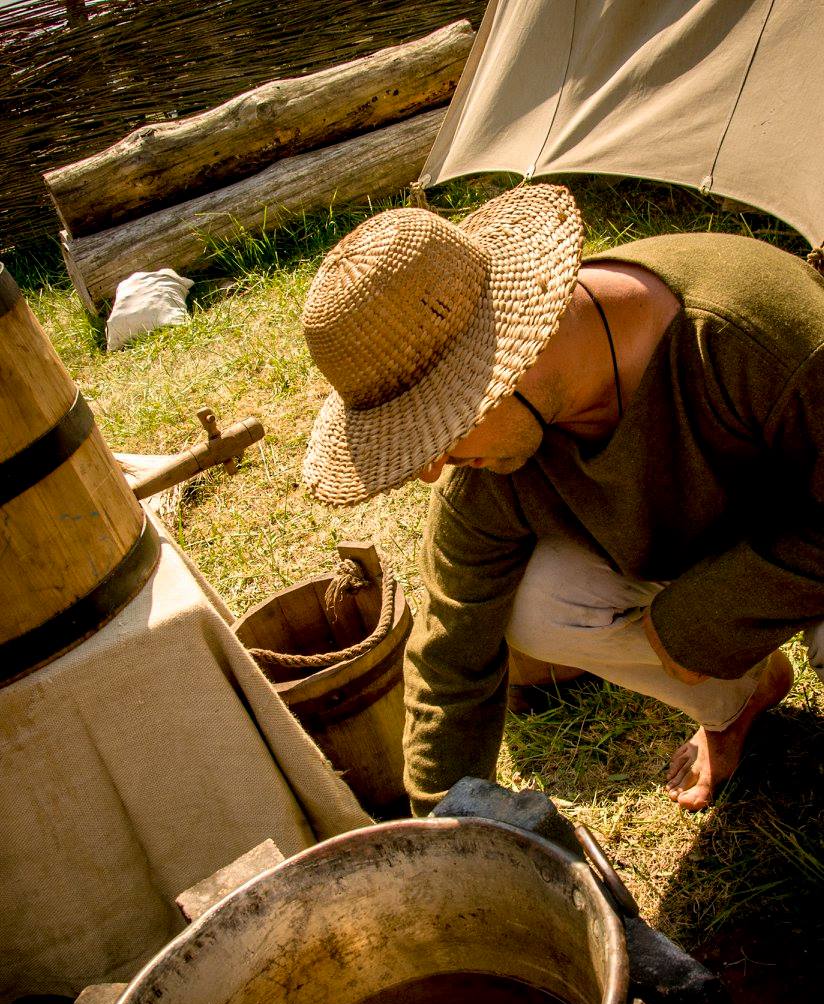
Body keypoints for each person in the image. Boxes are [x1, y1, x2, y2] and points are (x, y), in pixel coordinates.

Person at [300, 184, 824, 815]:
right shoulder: (489, 464)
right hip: (704, 549)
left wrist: (705, 619)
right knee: (536, 605)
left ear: (502, 364)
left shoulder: (756, 338)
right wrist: (449, 824)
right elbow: (452, 649)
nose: (432, 469)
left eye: (437, 429)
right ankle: (737, 701)